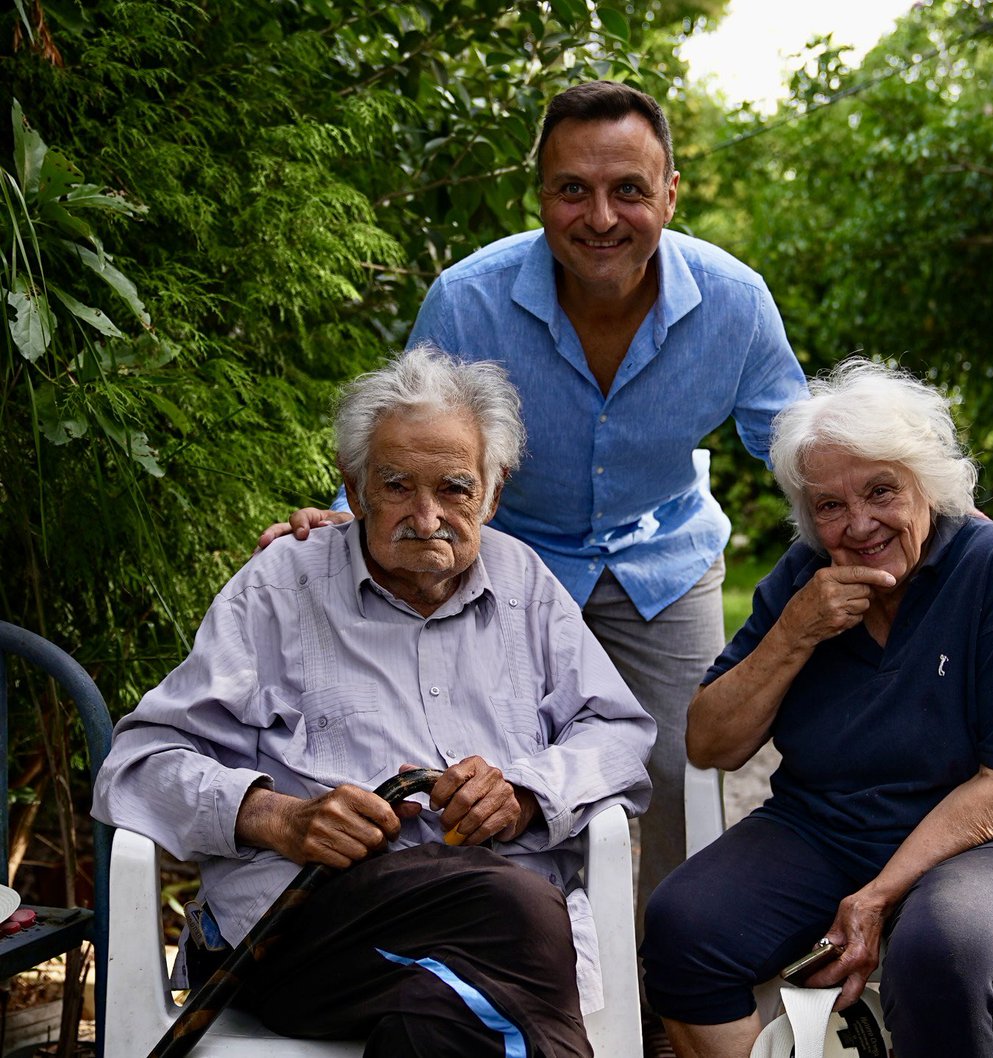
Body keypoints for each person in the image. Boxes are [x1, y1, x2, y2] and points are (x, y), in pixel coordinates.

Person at [259, 80, 809, 926]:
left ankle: (672, 980)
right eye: (572, 190)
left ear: (670, 193)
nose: (600, 217)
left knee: (677, 768)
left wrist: (900, 504)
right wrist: (345, 513)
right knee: (497, 769)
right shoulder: (471, 299)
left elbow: (799, 448)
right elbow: (412, 427)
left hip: (662, 554)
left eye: (628, 188)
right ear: (541, 196)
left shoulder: (735, 302)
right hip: (508, 558)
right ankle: (538, 947)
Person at [94, 345, 655, 1058]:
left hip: (475, 951)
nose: (427, 517)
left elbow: (619, 731)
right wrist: (278, 817)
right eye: (396, 487)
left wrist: (526, 794)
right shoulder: (281, 588)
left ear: (493, 490)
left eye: (454, 488)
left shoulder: (525, 583)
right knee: (511, 905)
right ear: (354, 490)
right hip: (308, 929)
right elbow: (138, 765)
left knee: (437, 1019)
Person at [639, 359, 993, 1058]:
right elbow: (709, 743)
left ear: (926, 484)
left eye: (881, 491)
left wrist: (877, 895)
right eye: (830, 506)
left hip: (988, 840)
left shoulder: (991, 561)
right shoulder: (802, 576)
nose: (859, 524)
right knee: (681, 928)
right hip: (824, 827)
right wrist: (795, 632)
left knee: (941, 946)